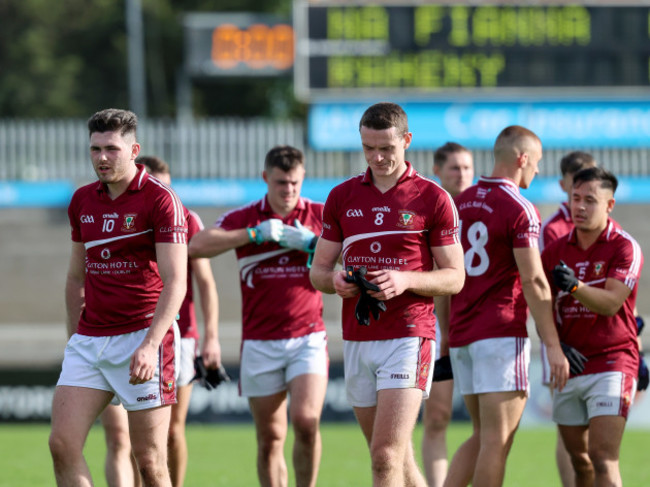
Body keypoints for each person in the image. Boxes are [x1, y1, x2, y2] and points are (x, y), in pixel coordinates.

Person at [309, 102, 466, 487]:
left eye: (387, 148)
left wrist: (406, 280)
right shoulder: (342, 196)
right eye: (368, 148)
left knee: (385, 457)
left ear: (406, 141)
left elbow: (455, 277)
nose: (377, 157)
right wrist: (337, 283)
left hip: (410, 335)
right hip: (359, 338)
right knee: (393, 457)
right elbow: (318, 272)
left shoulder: (433, 198)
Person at [49, 108, 188, 487]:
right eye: (95, 149)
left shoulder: (161, 200)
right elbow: (76, 275)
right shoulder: (81, 201)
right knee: (62, 445)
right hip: (90, 340)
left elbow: (177, 282)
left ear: (133, 150)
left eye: (111, 148)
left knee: (149, 462)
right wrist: (72, 338)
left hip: (142, 337)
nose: (102, 158)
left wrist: (150, 345)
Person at [189, 145, 328, 487]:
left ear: (303, 178)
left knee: (306, 422)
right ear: (266, 178)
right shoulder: (248, 216)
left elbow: (354, 257)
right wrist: (254, 234)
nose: (289, 190)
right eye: (281, 182)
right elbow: (197, 245)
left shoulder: (320, 215)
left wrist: (316, 244)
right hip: (260, 343)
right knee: (270, 438)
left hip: (307, 337)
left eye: (295, 182)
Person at [444, 125, 569, 487]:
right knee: (497, 441)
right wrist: (552, 344)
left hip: (464, 335)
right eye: (538, 163)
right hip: (499, 334)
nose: (538, 171)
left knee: (482, 435)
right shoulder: (520, 208)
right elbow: (533, 280)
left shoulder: (459, 203)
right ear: (522, 158)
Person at [99, 156, 222, 487]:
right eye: (155, 183)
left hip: (179, 337)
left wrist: (211, 337)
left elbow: (205, 284)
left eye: (166, 184)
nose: (160, 190)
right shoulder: (124, 214)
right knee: (124, 437)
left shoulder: (184, 218)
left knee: (170, 430)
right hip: (123, 331)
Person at [541, 166, 643, 486]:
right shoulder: (555, 250)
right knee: (579, 461)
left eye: (590, 200)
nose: (581, 207)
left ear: (609, 205)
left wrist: (575, 287)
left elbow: (612, 303)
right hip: (570, 364)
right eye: (575, 199)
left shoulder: (625, 246)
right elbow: (540, 302)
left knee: (602, 457)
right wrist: (555, 345)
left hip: (614, 359)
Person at [539, 151, 596, 487]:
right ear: (563, 185)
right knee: (569, 429)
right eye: (576, 182)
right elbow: (543, 289)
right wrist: (555, 344)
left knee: (594, 435)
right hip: (563, 340)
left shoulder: (606, 225)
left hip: (598, 341)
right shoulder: (554, 229)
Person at [422, 142, 474, 487]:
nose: (463, 174)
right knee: (438, 416)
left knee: (486, 425)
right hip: (439, 325)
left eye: (468, 168)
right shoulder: (427, 209)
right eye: (455, 168)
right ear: (438, 171)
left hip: (479, 324)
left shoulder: (482, 209)